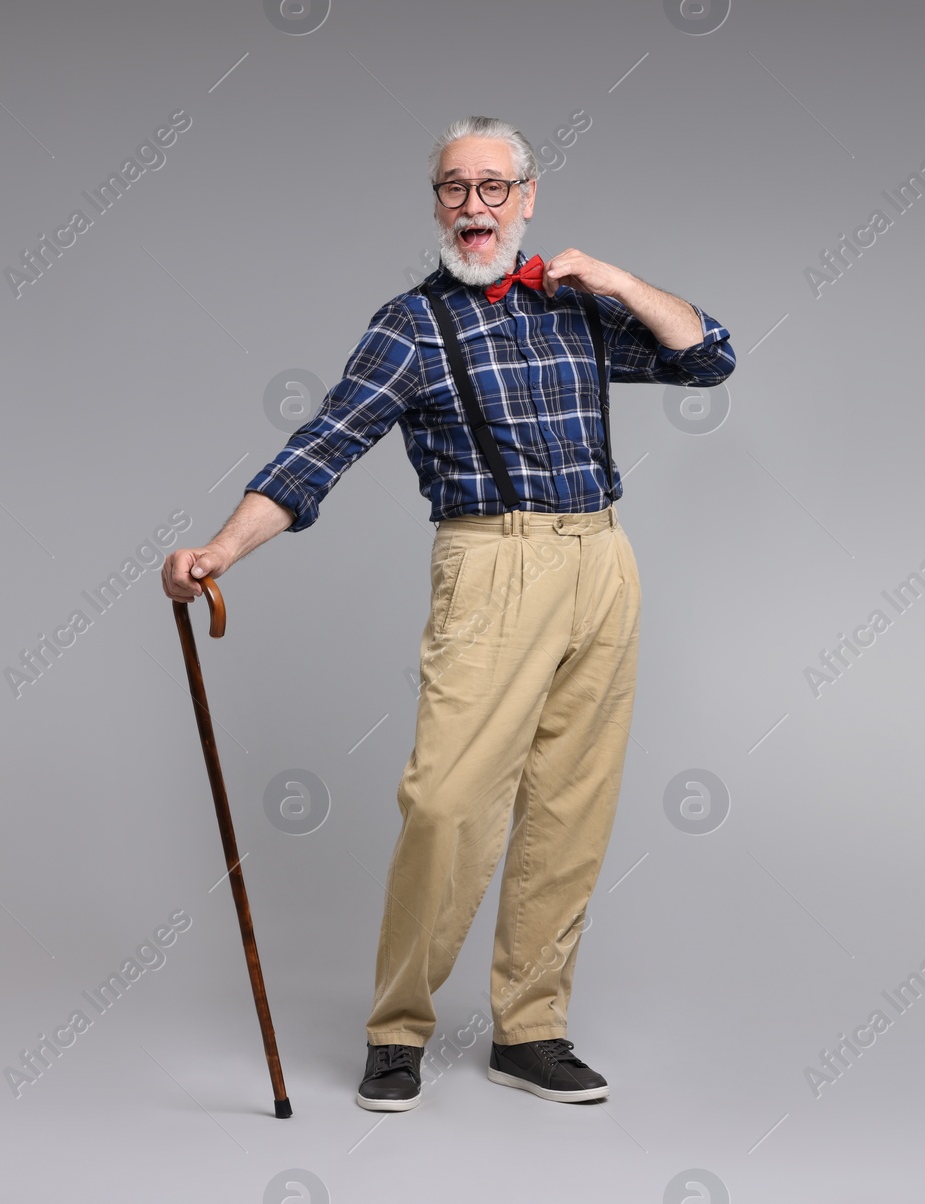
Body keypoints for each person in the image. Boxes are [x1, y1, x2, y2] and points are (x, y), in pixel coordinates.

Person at [161, 115, 735, 1111]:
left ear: (527, 196)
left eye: (492, 188)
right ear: (436, 204)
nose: (474, 208)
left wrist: (620, 281)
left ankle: (532, 1026)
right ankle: (397, 1027)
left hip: (602, 559)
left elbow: (706, 358)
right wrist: (217, 550)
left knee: (571, 805)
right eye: (454, 190)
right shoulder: (411, 324)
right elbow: (321, 448)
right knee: (447, 805)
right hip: (490, 562)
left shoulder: (575, 306)